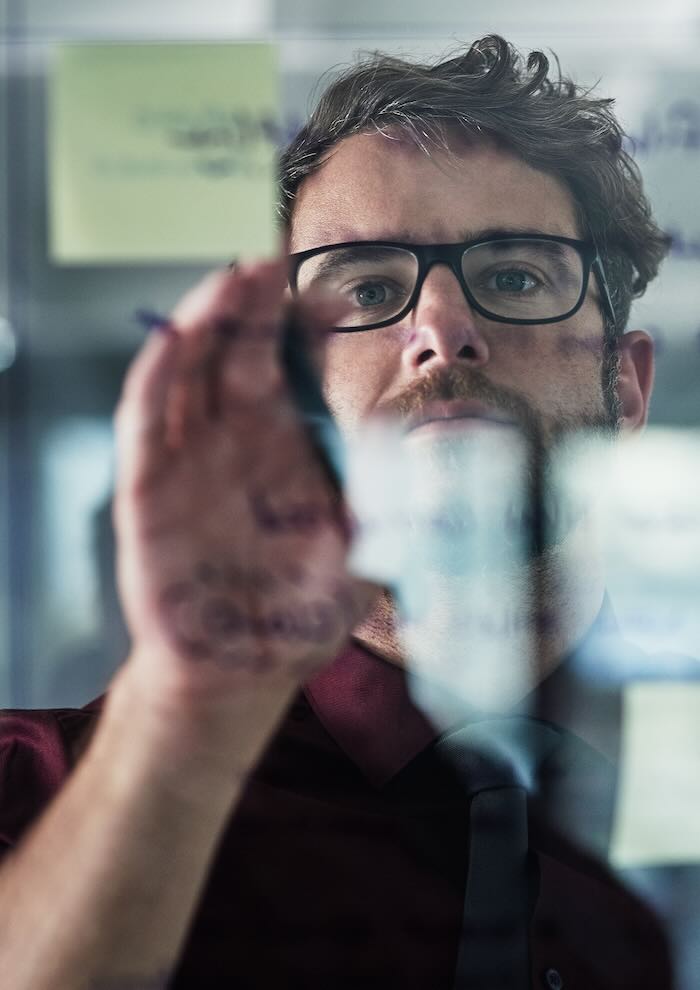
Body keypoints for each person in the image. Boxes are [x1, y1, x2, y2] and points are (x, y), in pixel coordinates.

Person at [0, 35, 681, 990]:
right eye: (366, 288)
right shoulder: (35, 793)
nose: (441, 332)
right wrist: (180, 726)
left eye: (516, 277)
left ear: (627, 388)